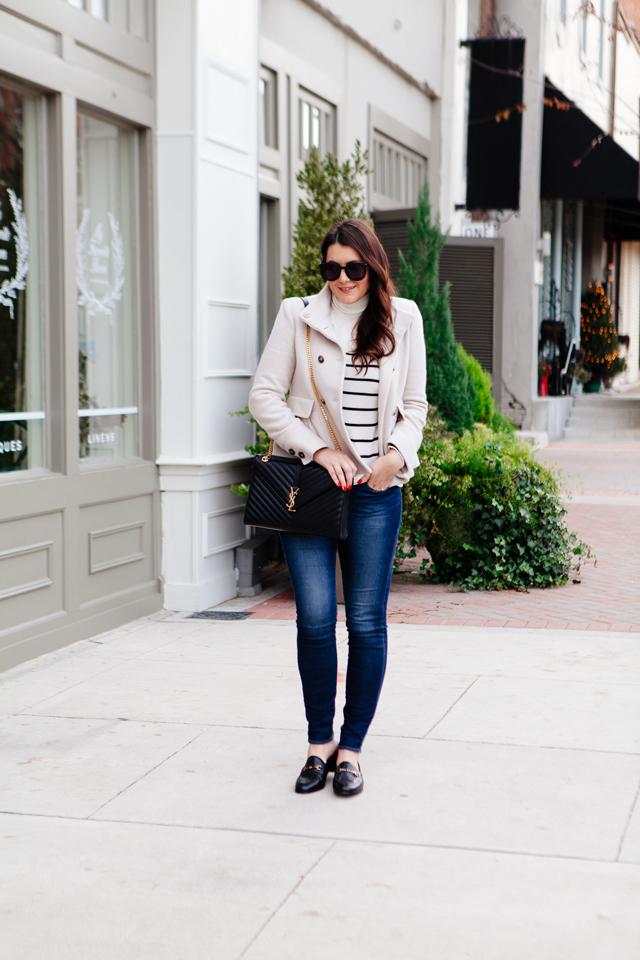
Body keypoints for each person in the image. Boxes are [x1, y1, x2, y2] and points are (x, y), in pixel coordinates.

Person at [249, 218, 427, 797]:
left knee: (367, 623)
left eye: (354, 268)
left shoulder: (405, 318)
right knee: (315, 619)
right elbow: (263, 395)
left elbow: (416, 404)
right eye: (332, 268)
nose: (343, 279)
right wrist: (318, 449)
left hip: (376, 492)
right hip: (311, 488)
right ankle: (317, 742)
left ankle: (351, 749)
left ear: (373, 266)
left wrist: (394, 457)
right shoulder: (297, 314)